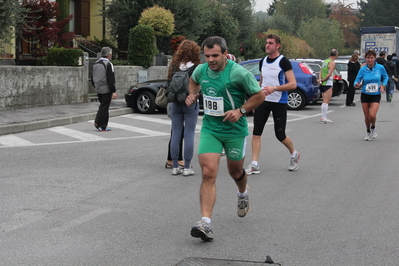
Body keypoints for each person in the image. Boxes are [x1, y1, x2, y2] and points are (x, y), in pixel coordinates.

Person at [185, 36, 265, 241]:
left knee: (235, 170)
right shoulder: (201, 70)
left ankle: (242, 193)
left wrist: (241, 110)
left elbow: (259, 96)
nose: (210, 59)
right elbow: (193, 82)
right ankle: (205, 222)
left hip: (234, 130)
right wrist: (193, 94)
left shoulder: (239, 73)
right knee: (208, 172)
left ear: (224, 54)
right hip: (210, 128)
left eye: (215, 55)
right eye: (207, 55)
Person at [245, 33, 300, 175]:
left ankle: (294, 153)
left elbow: (293, 84)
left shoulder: (283, 61)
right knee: (256, 133)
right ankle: (255, 164)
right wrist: (256, 99)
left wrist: (274, 88)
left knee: (280, 135)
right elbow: (262, 81)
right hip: (263, 101)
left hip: (279, 102)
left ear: (277, 45)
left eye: (270, 43)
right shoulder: (262, 61)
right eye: (266, 43)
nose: (267, 45)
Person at [168, 40, 201, 176]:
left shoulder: (174, 66)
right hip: (190, 103)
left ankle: (175, 166)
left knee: (176, 133)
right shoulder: (196, 67)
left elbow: (168, 82)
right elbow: (200, 86)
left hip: (175, 102)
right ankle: (187, 167)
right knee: (189, 134)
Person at [354, 49, 388, 141]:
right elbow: (357, 80)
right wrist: (356, 84)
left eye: (371, 58)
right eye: (368, 58)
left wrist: (383, 85)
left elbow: (385, 77)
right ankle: (368, 131)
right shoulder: (363, 69)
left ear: (374, 58)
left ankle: (373, 127)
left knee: (372, 115)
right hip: (365, 94)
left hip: (376, 94)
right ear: (365, 59)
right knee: (367, 116)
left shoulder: (380, 67)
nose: (370, 60)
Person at [91, 47, 117, 131]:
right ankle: (102, 125)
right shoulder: (108, 64)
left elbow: (92, 77)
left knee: (102, 105)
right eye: (111, 53)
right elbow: (110, 79)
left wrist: (95, 86)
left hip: (98, 88)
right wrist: (113, 91)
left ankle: (97, 122)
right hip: (106, 89)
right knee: (105, 107)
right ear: (109, 55)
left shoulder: (96, 63)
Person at [319, 49, 338, 124]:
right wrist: (324, 79)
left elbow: (320, 71)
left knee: (324, 101)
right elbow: (330, 74)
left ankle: (323, 117)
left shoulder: (325, 61)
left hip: (323, 83)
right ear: (336, 55)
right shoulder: (332, 63)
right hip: (328, 82)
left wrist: (320, 79)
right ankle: (323, 118)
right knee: (326, 101)